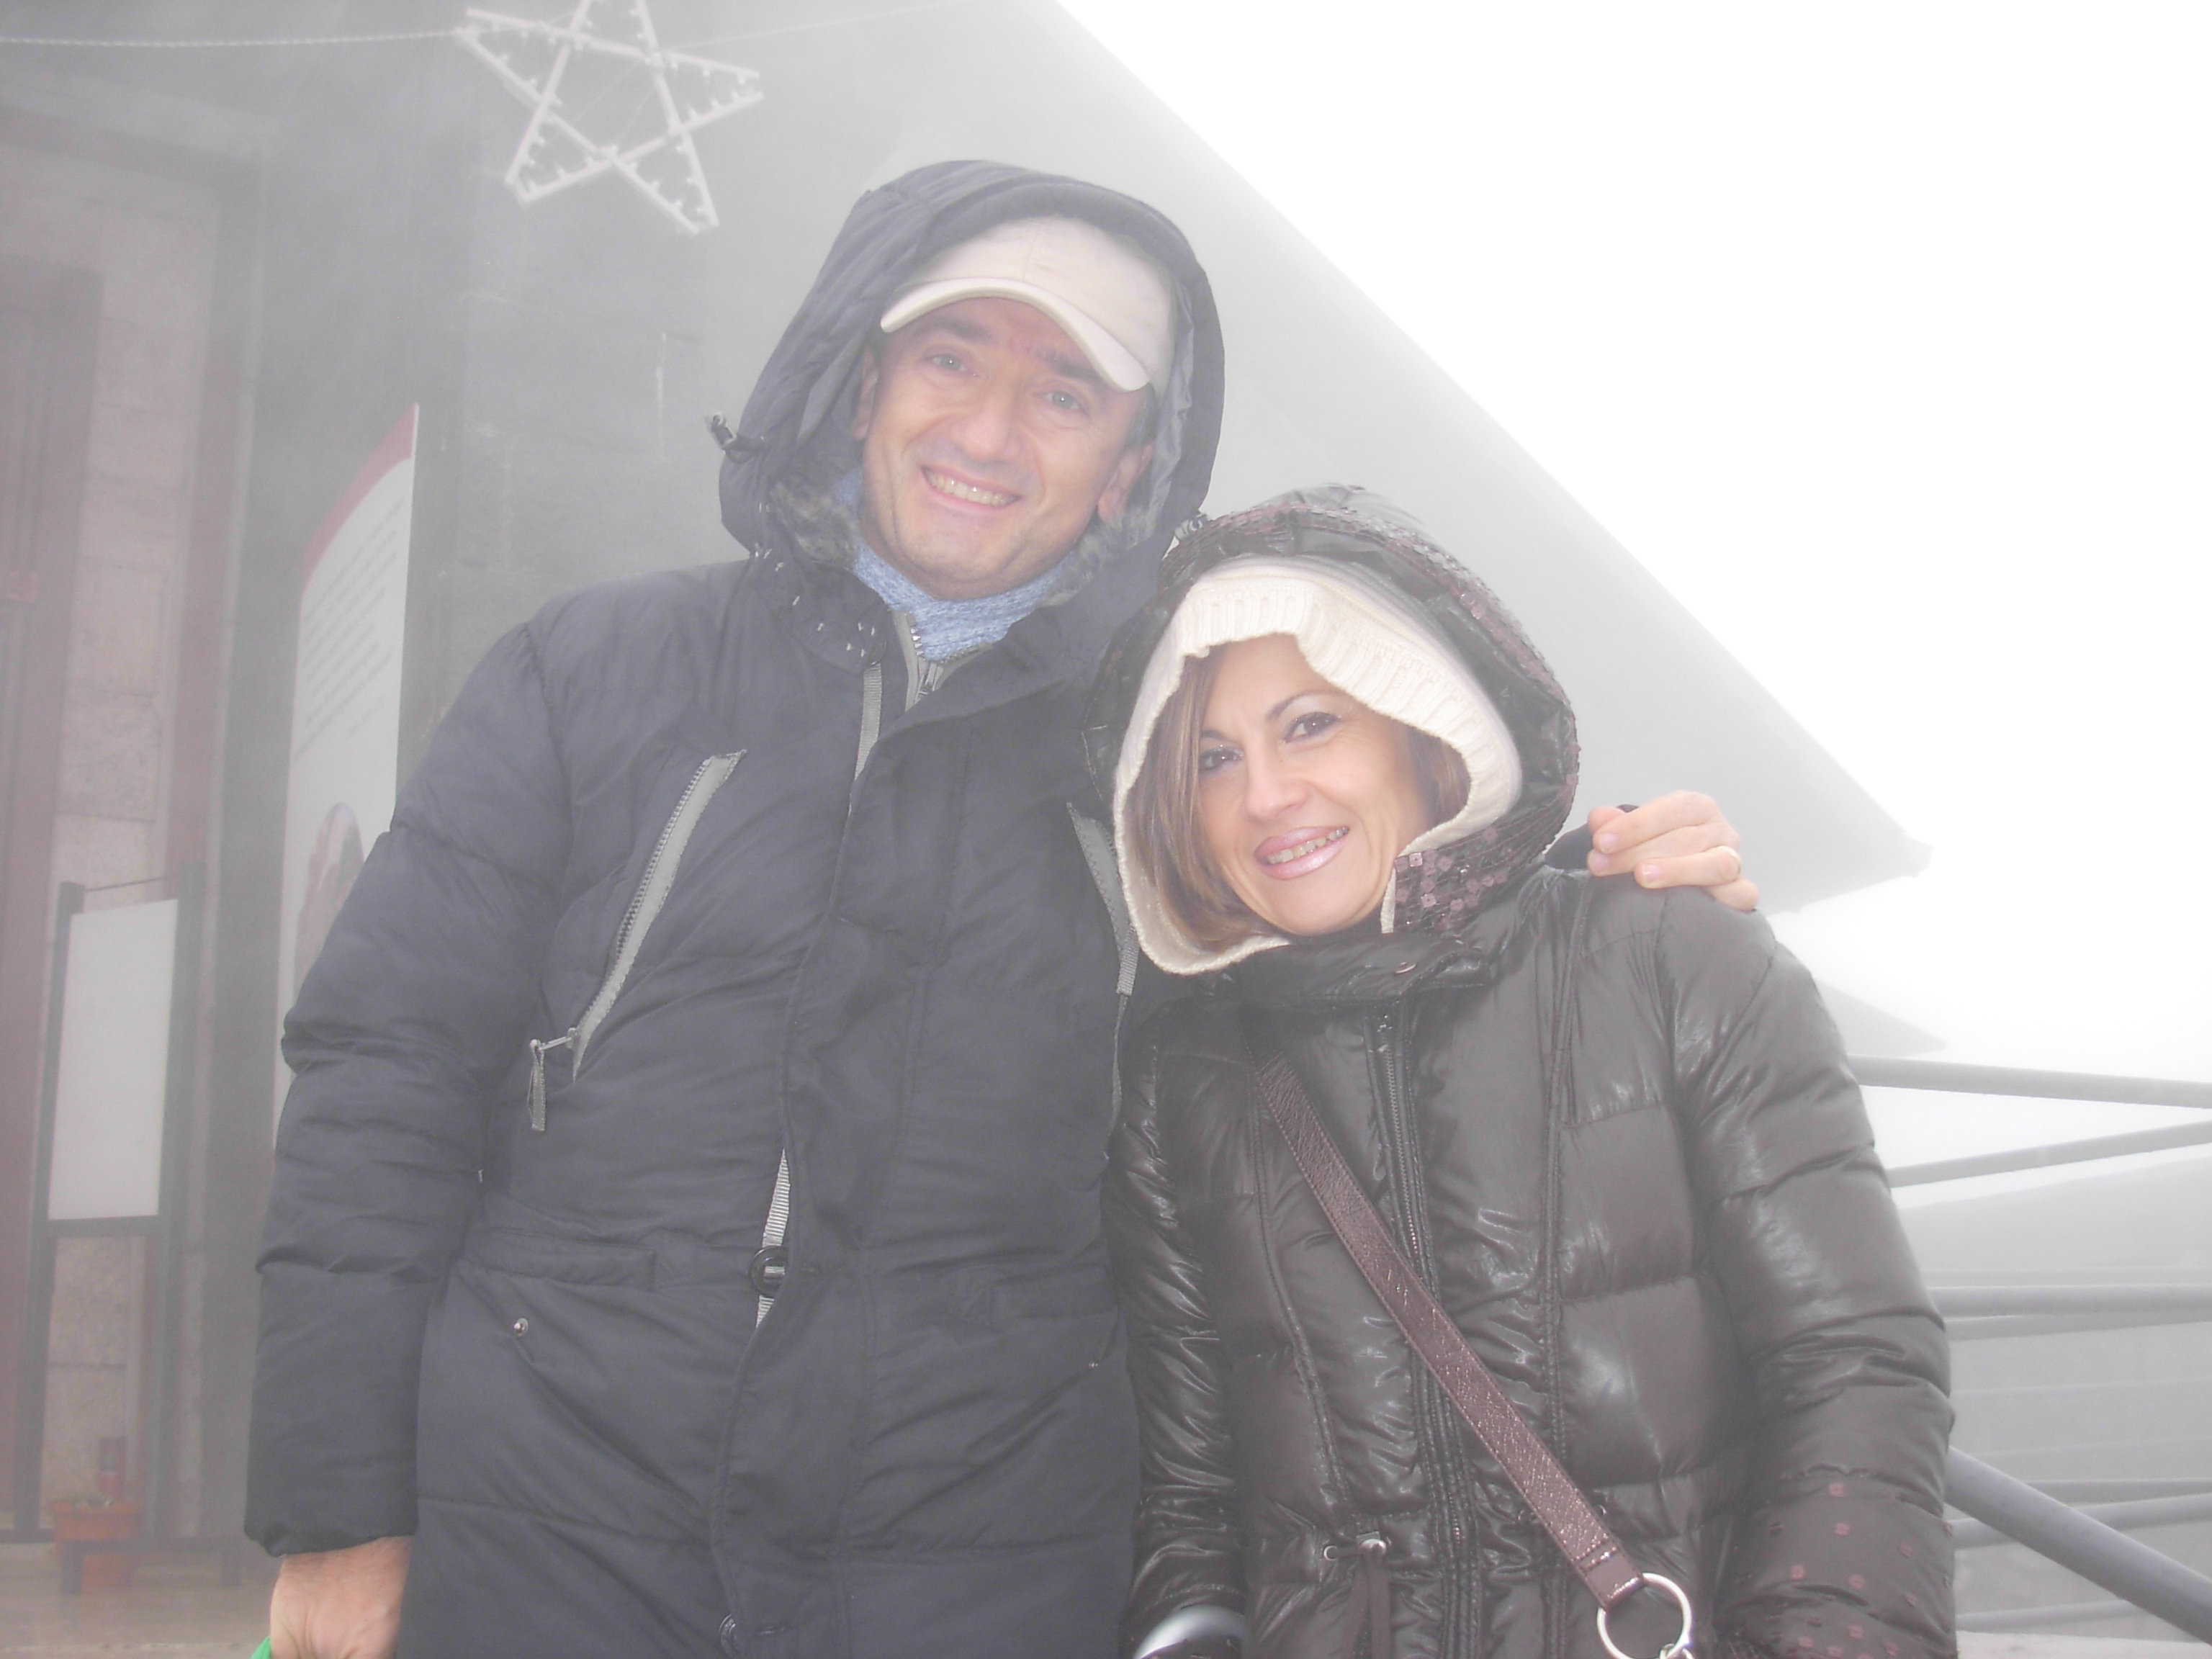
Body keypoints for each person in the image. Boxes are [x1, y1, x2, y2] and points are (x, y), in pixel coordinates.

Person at [249, 166, 1753, 1659]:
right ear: (863, 384)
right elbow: (385, 1078)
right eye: (951, 358)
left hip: (983, 1567)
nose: (984, 432)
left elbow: (1358, 953)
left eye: (1064, 395)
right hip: (547, 1542)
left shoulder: (1158, 749)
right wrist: (340, 1513)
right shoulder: (592, 670)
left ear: (1130, 463)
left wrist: (1590, 904)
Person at [1093, 488, 1952, 1659]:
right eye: (1211, 758)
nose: (1265, 796)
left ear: (1423, 727)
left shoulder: (1666, 955)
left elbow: (1854, 1365)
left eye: (1310, 725)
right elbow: (1194, 1497)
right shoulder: (1187, 1080)